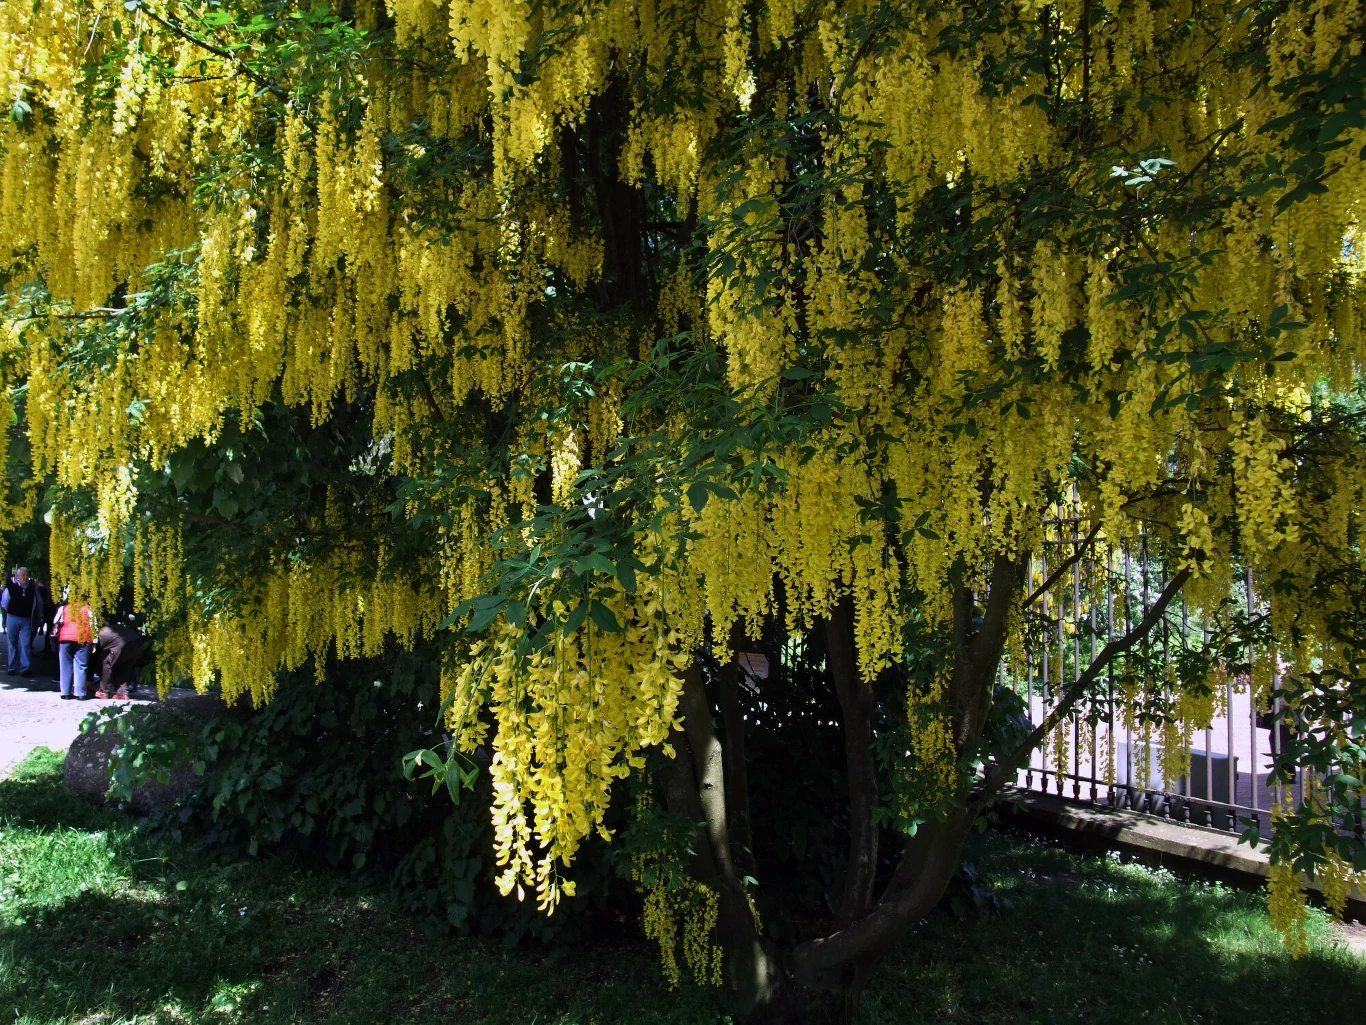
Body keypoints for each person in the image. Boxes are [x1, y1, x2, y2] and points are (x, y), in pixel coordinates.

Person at [52, 597, 94, 700]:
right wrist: (94, 642)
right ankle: (80, 693)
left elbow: (55, 621)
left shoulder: (64, 608)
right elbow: (94, 625)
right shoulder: (88, 608)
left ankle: (65, 692)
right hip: (83, 638)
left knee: (65, 665)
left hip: (65, 638)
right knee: (81, 665)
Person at [93, 620, 145, 700]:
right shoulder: (115, 628)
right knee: (125, 666)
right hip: (139, 643)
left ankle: (103, 692)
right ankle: (122, 693)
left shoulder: (100, 633)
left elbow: (95, 654)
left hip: (122, 644)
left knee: (107, 663)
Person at [2, 567, 37, 676]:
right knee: (12, 643)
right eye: (23, 575)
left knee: (26, 644)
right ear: (18, 577)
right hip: (12, 618)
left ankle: (25, 668)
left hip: (27, 619)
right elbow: (4, 604)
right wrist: (13, 611)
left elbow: (37, 603)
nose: (25, 577)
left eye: (27, 575)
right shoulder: (11, 588)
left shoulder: (32, 588)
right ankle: (12, 667)